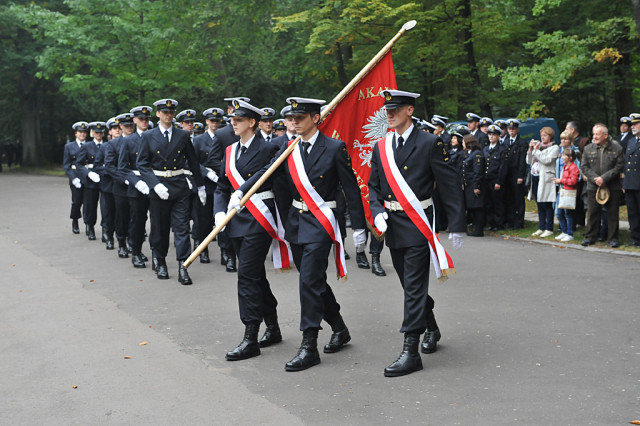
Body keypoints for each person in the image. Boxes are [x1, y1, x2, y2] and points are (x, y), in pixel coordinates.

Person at [234, 97, 367, 372]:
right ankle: (340, 327)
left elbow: (350, 188)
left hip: (322, 221)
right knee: (314, 280)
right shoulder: (286, 146)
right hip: (296, 222)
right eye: (290, 119)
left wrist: (360, 227)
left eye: (300, 118)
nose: (293, 123)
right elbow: (266, 172)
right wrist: (242, 191)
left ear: (316, 118)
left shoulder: (333, 147)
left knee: (308, 280)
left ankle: (309, 344)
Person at [368, 90, 466, 377]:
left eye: (395, 108)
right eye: (387, 109)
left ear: (409, 110)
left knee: (413, 286)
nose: (389, 113)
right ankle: (431, 326)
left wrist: (457, 224)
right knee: (409, 285)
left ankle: (410, 349)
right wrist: (376, 212)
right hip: (391, 225)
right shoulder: (381, 146)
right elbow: (373, 185)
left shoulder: (430, 142)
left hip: (418, 222)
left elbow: (449, 184)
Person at [213, 99, 286, 361]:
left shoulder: (268, 149)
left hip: (258, 219)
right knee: (255, 275)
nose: (233, 123)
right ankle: (273, 326)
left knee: (245, 275)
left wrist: (241, 193)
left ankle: (250, 336)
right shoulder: (231, 150)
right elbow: (222, 186)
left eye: (238, 120)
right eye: (232, 119)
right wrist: (219, 211)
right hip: (235, 220)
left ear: (252, 122)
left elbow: (269, 177)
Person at [137, 98, 206, 284]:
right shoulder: (148, 136)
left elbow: (192, 161)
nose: (168, 115)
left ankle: (184, 265)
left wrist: (200, 185)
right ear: (158, 114)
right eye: (164, 112)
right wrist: (154, 184)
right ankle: (160, 261)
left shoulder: (182, 135)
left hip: (179, 186)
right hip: (159, 186)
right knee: (159, 228)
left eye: (171, 112)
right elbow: (142, 164)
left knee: (182, 227)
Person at [119, 106, 153, 268]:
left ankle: (157, 253)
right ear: (135, 120)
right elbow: (123, 167)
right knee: (138, 221)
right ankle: (136, 251)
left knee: (158, 222)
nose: (144, 121)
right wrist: (136, 182)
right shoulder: (128, 141)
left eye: (146, 119)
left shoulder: (154, 137)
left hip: (155, 184)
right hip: (137, 186)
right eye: (141, 119)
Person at [580, 124, 625, 248]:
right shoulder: (588, 148)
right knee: (592, 212)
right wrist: (595, 179)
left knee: (612, 213)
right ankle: (590, 237)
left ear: (605, 135)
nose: (594, 136)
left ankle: (613, 238)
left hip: (612, 185)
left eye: (597, 134)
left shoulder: (616, 147)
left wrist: (604, 178)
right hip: (593, 186)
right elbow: (584, 166)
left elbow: (619, 166)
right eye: (594, 134)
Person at [192, 107, 224, 264]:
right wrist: (207, 173)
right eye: (212, 121)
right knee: (204, 220)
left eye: (218, 121)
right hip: (206, 185)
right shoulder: (198, 140)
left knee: (223, 220)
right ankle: (202, 249)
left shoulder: (225, 137)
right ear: (207, 122)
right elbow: (193, 162)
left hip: (222, 184)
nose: (215, 124)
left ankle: (226, 251)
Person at [105, 113, 135, 258]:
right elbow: (110, 167)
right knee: (122, 216)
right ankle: (122, 243)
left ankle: (133, 242)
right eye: (126, 125)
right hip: (121, 187)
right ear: (121, 126)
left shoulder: (140, 140)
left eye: (131, 125)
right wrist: (125, 179)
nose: (129, 128)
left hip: (138, 185)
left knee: (136, 216)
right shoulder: (113, 144)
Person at [76, 121, 107, 241]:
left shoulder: (108, 145)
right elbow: (79, 164)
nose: (98, 134)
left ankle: (105, 229)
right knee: (90, 205)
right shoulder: (86, 146)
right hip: (91, 179)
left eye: (100, 132)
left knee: (106, 206)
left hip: (104, 178)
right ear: (92, 133)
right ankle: (90, 227)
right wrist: (88, 173)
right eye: (96, 132)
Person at [527, 127, 559, 238]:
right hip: (535, 177)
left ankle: (549, 228)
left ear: (550, 136)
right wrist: (531, 150)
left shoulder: (554, 147)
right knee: (539, 203)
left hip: (546, 178)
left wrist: (536, 151)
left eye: (545, 135)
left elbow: (546, 160)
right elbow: (528, 161)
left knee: (547, 203)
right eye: (541, 135)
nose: (542, 137)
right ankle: (541, 227)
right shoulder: (538, 148)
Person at [94, 117, 120, 249]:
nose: (118, 131)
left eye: (119, 128)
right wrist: (110, 171)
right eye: (115, 129)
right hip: (108, 185)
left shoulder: (126, 143)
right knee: (108, 212)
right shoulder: (105, 146)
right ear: (110, 131)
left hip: (122, 185)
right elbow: (97, 166)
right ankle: (109, 236)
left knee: (121, 213)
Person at [63, 122, 88, 234]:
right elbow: (66, 165)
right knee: (76, 202)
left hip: (87, 177)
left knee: (88, 203)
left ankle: (89, 224)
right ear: (76, 133)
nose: (82, 134)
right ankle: (75, 221)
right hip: (76, 177)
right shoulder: (69, 146)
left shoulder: (90, 145)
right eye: (80, 132)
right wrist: (73, 178)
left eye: (84, 132)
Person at [503, 119, 527, 229]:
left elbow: (522, 160)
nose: (511, 131)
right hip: (507, 174)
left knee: (518, 199)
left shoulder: (521, 143)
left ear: (517, 129)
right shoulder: (505, 142)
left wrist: (521, 175)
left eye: (513, 129)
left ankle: (519, 221)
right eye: (509, 129)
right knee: (509, 198)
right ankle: (510, 220)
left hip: (516, 173)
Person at [483, 124, 507, 231]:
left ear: (498, 136)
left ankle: (499, 223)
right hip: (486, 180)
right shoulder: (486, 149)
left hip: (495, 180)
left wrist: (499, 181)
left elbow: (503, 167)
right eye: (490, 135)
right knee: (489, 203)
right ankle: (491, 222)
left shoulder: (502, 149)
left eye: (493, 135)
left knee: (497, 202)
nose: (491, 137)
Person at [461, 134, 485, 236]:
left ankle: (479, 230)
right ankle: (475, 228)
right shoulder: (469, 154)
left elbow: (477, 171)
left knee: (477, 207)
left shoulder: (477, 154)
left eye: (463, 142)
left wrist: (476, 186)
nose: (462, 144)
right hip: (468, 184)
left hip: (474, 184)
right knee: (472, 207)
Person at [554, 149, 579, 241]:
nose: (562, 157)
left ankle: (569, 233)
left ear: (570, 158)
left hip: (569, 193)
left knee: (568, 214)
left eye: (564, 155)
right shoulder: (564, 167)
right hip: (562, 191)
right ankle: (564, 231)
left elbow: (573, 181)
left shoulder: (574, 168)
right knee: (559, 213)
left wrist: (561, 180)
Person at [623, 113, 640, 247]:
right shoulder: (631, 141)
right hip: (630, 183)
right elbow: (627, 163)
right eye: (632, 125)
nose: (632, 127)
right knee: (632, 212)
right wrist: (625, 182)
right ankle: (635, 238)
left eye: (635, 124)